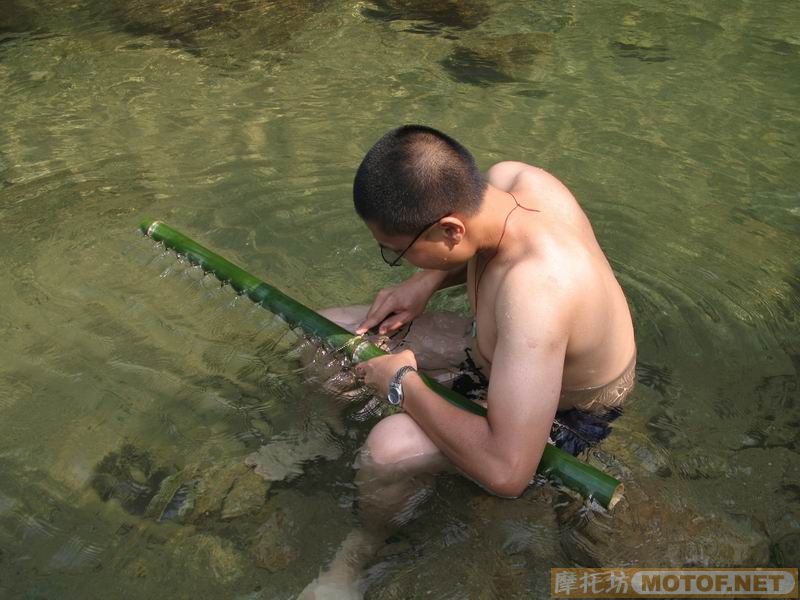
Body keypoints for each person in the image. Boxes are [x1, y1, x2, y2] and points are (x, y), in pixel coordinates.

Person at [299, 125, 636, 599]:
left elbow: (507, 471)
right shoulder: (513, 181)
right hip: (500, 353)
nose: (394, 260)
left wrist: (402, 385)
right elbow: (479, 246)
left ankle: (357, 554)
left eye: (397, 252)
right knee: (328, 334)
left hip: (567, 410)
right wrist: (421, 284)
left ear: (449, 230)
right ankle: (319, 443)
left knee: (390, 447)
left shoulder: (538, 290)